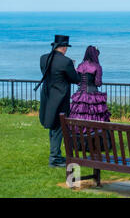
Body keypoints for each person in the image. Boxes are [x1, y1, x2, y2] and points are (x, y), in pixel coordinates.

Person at [35, 35, 81, 168]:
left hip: (47, 97)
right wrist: (72, 66)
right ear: (64, 48)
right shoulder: (66, 62)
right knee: (58, 127)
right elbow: (75, 78)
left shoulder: (43, 58)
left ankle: (55, 154)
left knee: (53, 126)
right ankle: (54, 158)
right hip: (60, 99)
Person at [69, 45, 110, 128]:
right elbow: (98, 83)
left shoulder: (80, 65)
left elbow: (78, 81)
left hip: (80, 96)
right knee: (95, 116)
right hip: (92, 96)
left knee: (79, 115)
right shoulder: (97, 66)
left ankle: (78, 135)